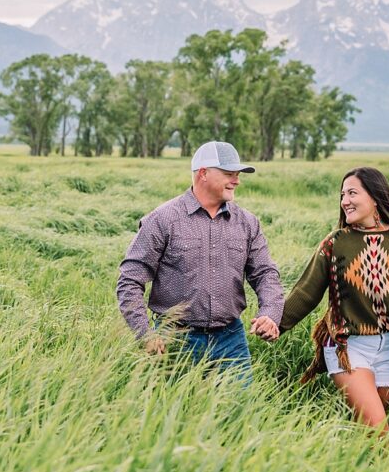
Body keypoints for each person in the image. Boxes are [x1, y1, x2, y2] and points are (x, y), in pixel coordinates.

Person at [274, 166, 389, 433]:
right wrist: (274, 324)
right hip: (347, 348)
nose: (344, 201)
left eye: (352, 193)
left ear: (375, 198)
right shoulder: (335, 243)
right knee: (379, 432)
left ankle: (348, 470)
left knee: (366, 434)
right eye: (342, 195)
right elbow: (305, 293)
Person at [117, 141, 283, 382]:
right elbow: (130, 280)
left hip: (231, 339)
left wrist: (270, 313)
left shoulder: (247, 223)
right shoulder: (163, 220)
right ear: (203, 173)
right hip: (177, 339)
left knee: (239, 413)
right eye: (229, 174)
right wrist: (145, 333)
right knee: (177, 414)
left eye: (237, 175)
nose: (236, 180)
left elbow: (266, 274)